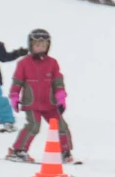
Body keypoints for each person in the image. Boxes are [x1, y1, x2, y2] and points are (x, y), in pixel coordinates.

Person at [6, 29, 72, 163]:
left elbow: (57, 81)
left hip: (50, 104)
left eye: (44, 45)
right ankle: (19, 150)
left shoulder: (52, 63)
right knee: (33, 126)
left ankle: (65, 151)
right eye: (37, 45)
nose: (41, 48)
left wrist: (60, 97)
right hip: (32, 103)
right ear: (31, 46)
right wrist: (14, 96)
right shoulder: (24, 63)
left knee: (62, 126)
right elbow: (17, 81)